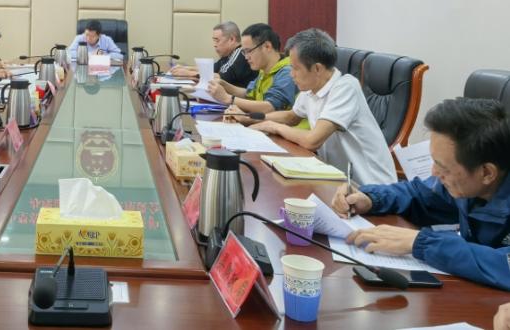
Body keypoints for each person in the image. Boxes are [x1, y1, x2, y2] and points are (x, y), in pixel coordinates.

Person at [331, 98, 510, 291]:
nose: (434, 172)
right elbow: (419, 194)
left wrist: (421, 243)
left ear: (487, 173)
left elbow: (504, 265)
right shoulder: (468, 184)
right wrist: (371, 199)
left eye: (443, 167)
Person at [248, 28, 396, 184]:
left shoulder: (345, 87)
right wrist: (250, 119)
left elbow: (313, 140)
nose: (292, 74)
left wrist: (273, 127)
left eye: (295, 68)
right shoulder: (310, 88)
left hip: (372, 187)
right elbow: (291, 117)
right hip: (336, 179)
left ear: (317, 68)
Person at [206, 23, 299, 117]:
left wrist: (228, 98)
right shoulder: (264, 70)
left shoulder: (287, 71)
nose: (246, 57)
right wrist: (224, 84)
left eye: (249, 51)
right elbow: (248, 93)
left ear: (267, 46)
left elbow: (270, 107)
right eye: (244, 52)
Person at [169, 21, 255, 88]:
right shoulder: (228, 55)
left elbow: (221, 77)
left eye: (217, 40)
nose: (214, 45)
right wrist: (185, 68)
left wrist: (188, 73)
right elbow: (210, 70)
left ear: (231, 39)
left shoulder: (240, 53)